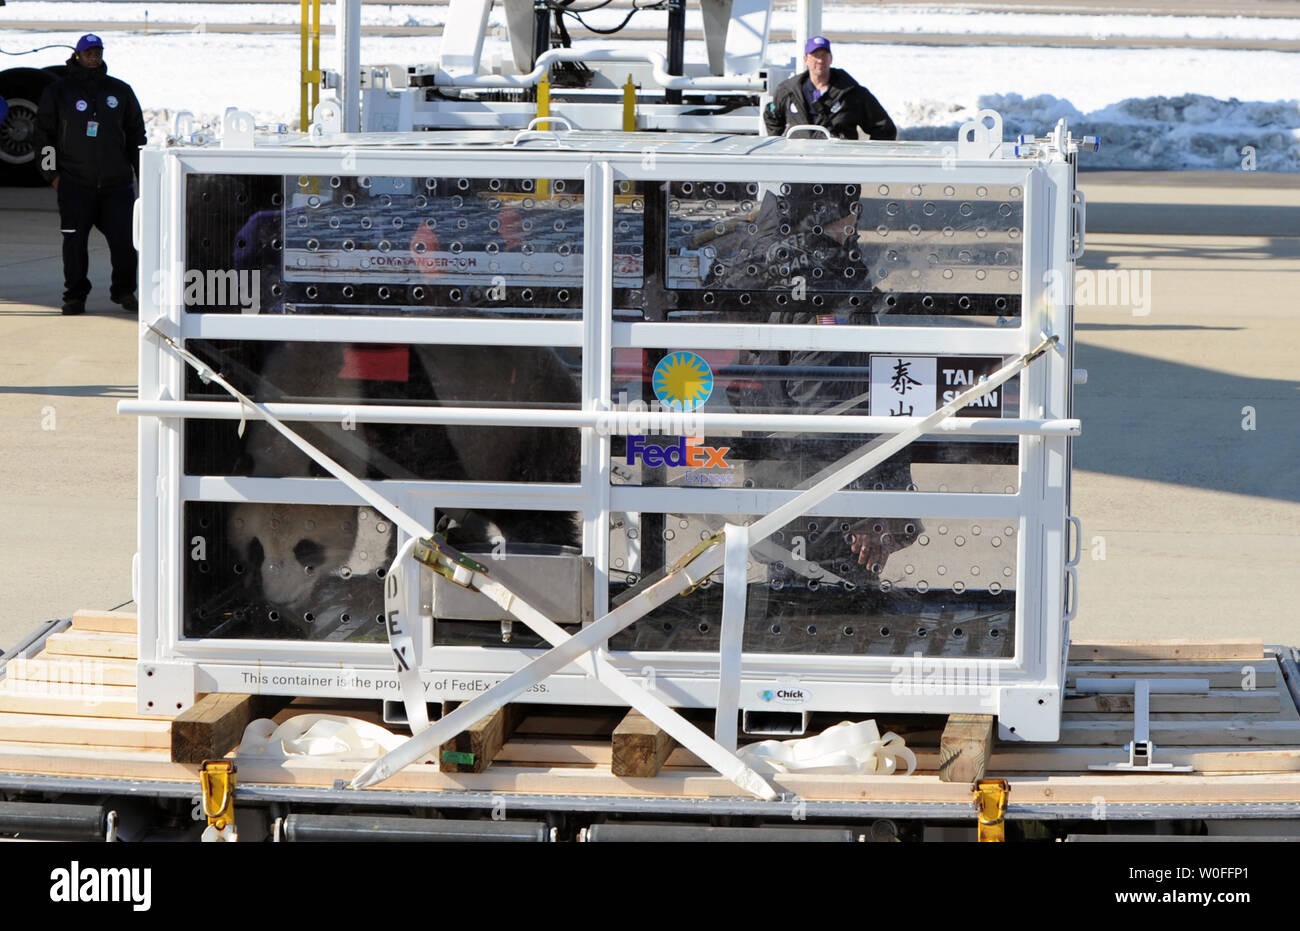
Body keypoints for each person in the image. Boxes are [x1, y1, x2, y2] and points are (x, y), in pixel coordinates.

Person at [36, 34, 145, 315]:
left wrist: (142, 172)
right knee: (74, 243)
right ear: (77, 55)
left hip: (116, 185)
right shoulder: (58, 92)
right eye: (88, 52)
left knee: (125, 242)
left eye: (97, 52)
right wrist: (52, 176)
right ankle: (75, 296)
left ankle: (124, 291)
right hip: (75, 184)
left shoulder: (120, 91)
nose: (93, 57)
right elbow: (44, 136)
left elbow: (136, 135)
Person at [764, 36, 896, 142]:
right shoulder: (788, 91)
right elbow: (772, 116)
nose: (820, 61)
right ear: (806, 59)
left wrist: (868, 161)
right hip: (799, 165)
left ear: (831, 59)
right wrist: (779, 148)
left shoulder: (852, 93)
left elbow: (883, 128)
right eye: (815, 56)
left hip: (837, 166)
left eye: (824, 55)